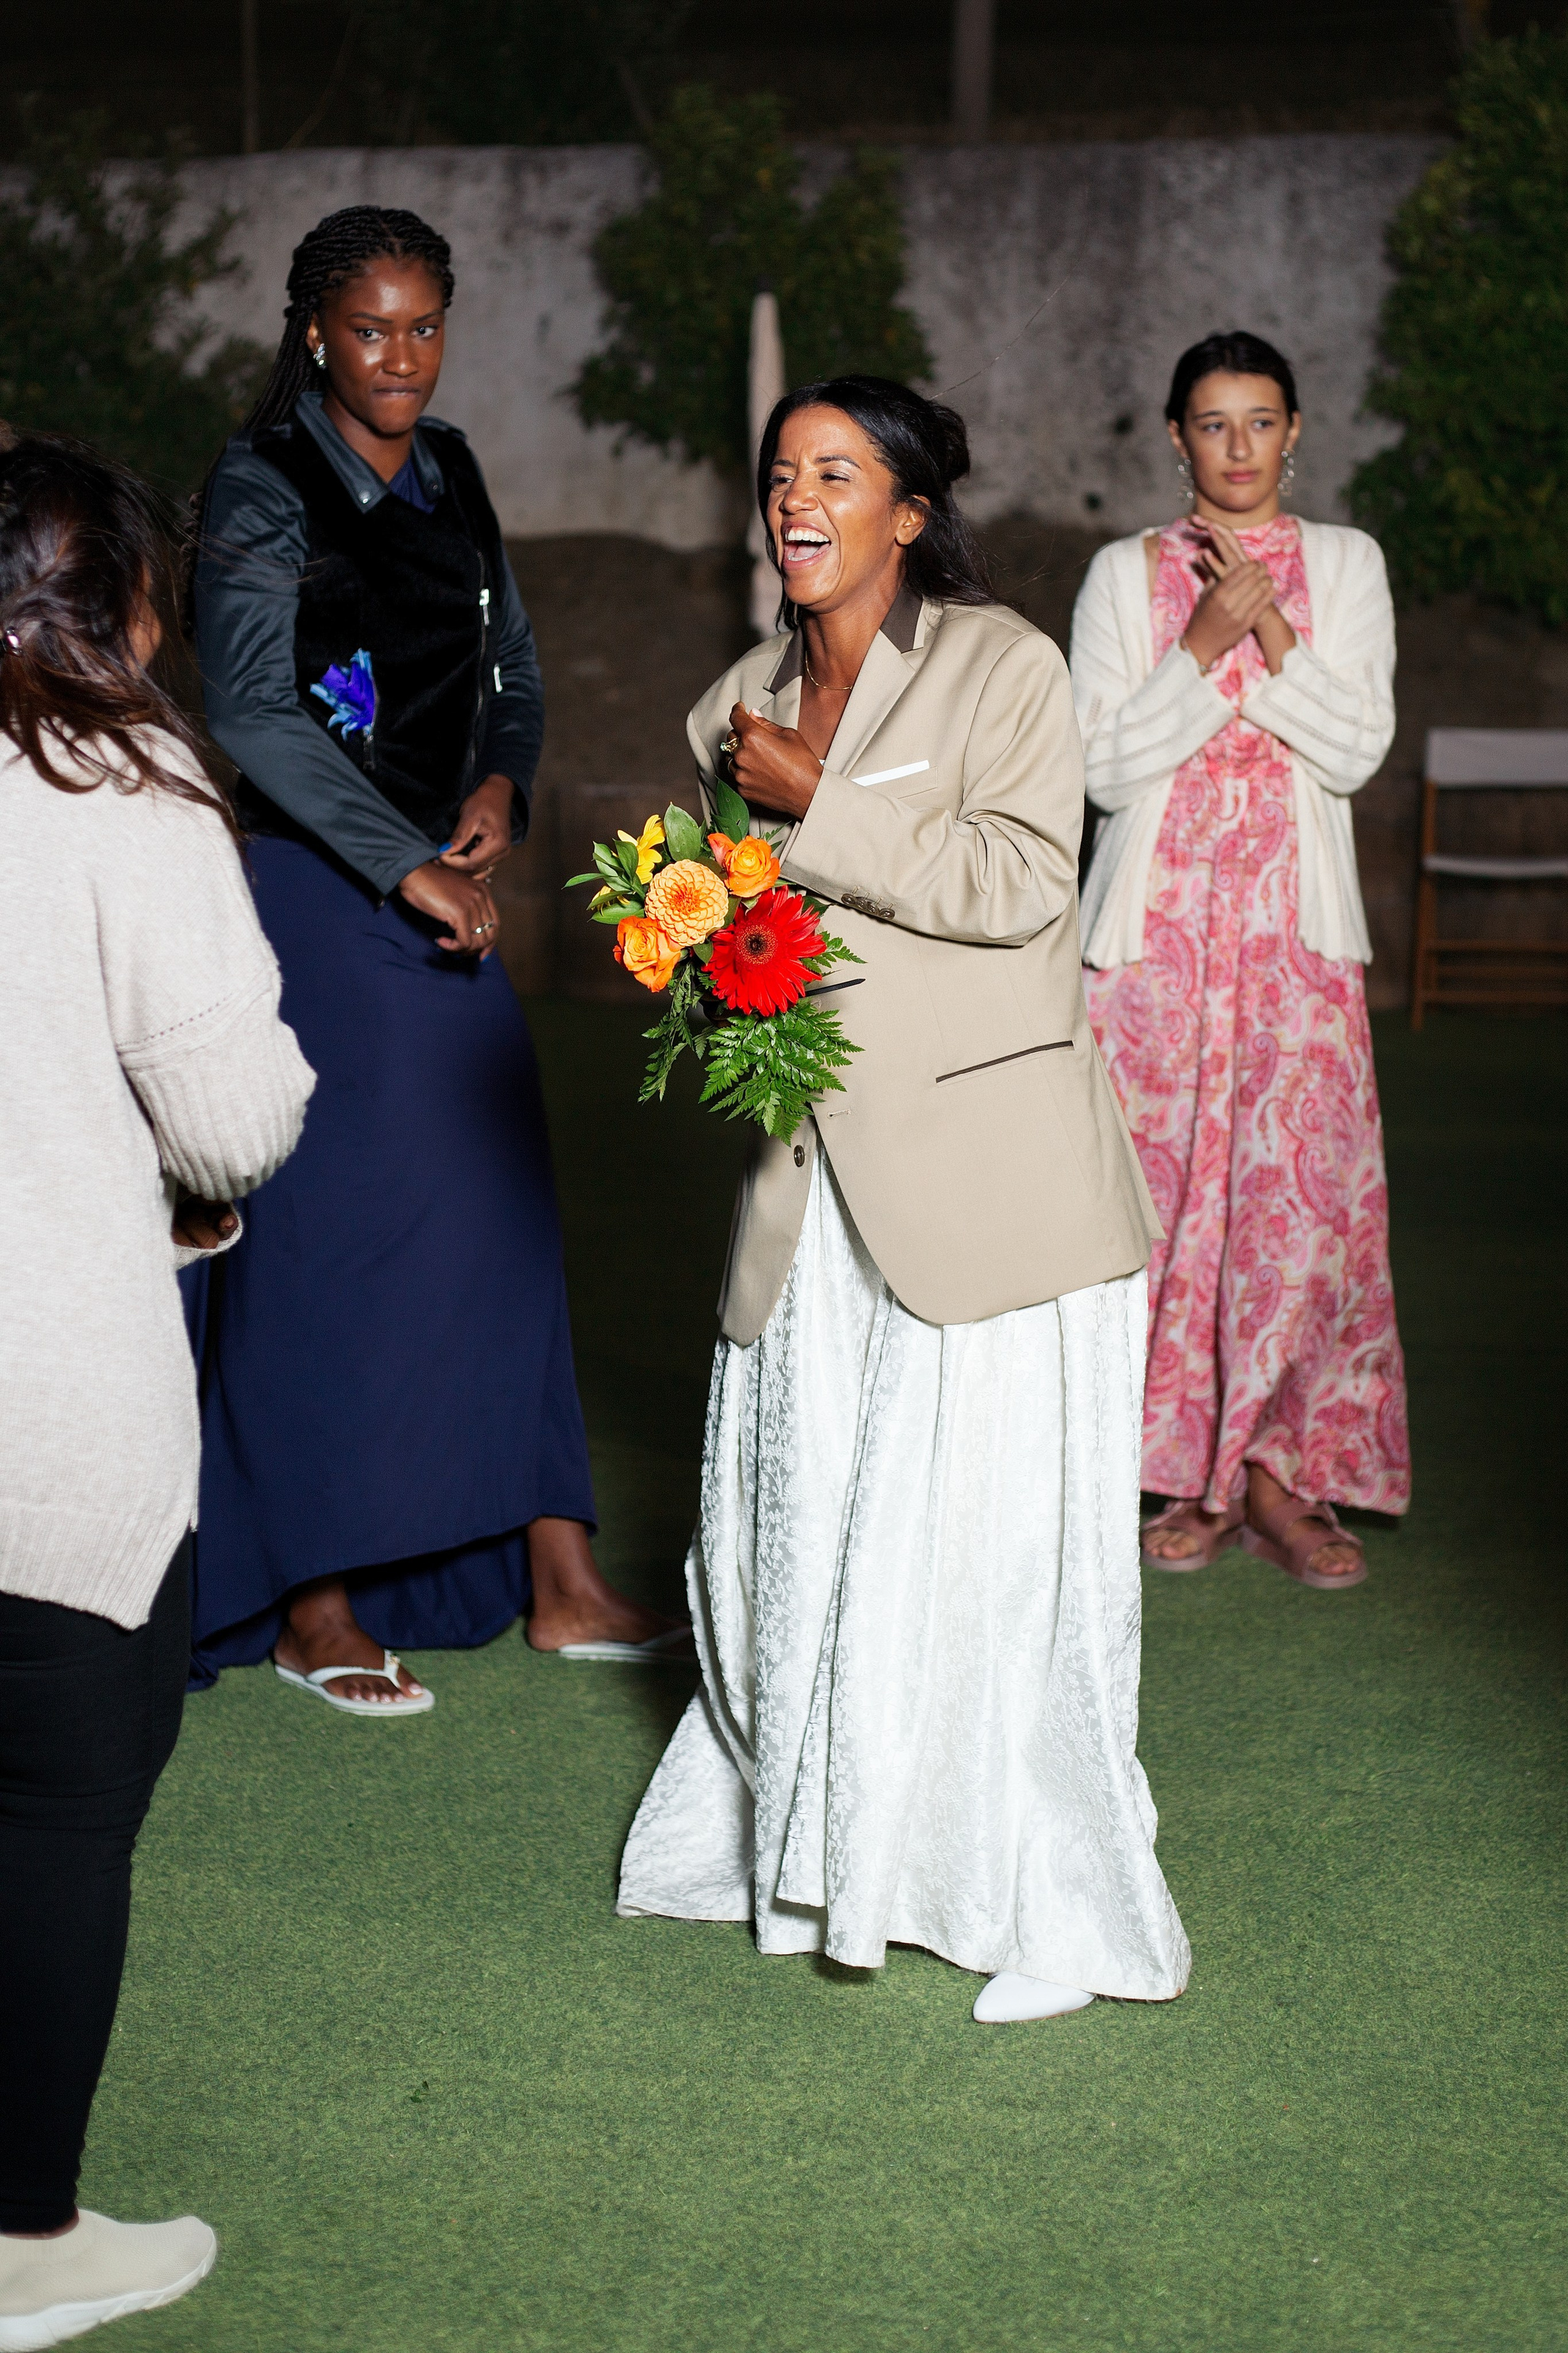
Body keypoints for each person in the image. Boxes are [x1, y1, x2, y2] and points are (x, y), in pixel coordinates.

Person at [617, 376, 1189, 2023]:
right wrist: (703, 964)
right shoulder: (731, 703)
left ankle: (1017, 1880)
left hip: (991, 1189)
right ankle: (820, 1839)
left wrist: (820, 809)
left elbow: (1023, 888)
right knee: (793, 1541)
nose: (799, 498)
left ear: (912, 512)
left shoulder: (1004, 665)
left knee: (984, 1556)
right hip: (811, 1195)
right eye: (782, 474)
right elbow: (753, 945)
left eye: (838, 473)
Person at [187, 205, 682, 1710]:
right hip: (316, 895)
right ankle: (308, 1600)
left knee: (506, 1215)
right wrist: (399, 857)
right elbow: (256, 712)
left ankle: (556, 1572)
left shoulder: (455, 466)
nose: (399, 358)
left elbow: (511, 673)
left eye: (423, 327)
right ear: (314, 334)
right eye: (368, 330)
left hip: (444, 894)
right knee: (328, 1236)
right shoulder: (261, 485)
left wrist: (496, 787)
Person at [0, 435, 315, 2342]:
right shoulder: (127, 785)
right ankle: (25, 2243)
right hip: (41, 1404)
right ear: (127, 607)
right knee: (53, 1806)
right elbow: (237, 1113)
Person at [1071, 331, 1409, 1588]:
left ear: (1293, 431)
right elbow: (1097, 767)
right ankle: (1169, 1471)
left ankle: (1276, 1476)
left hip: (1290, 933)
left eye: (1257, 422)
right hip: (1152, 937)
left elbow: (1354, 748)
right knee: (1148, 1201)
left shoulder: (1344, 564)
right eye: (1209, 424)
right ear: (1174, 437)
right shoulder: (1123, 574)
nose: (1235, 446)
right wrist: (1203, 638)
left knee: (1295, 1206)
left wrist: (1267, 633)